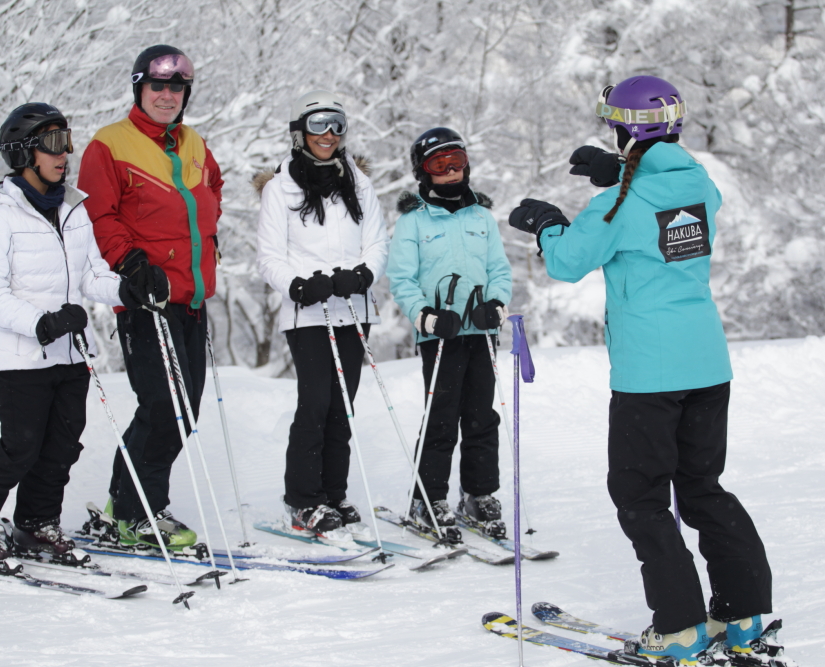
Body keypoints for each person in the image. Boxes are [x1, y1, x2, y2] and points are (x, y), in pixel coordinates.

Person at [509, 76, 773, 664]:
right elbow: (666, 199)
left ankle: (679, 628)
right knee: (703, 488)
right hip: (707, 364)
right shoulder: (700, 184)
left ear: (623, 127)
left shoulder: (615, 207)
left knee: (641, 495)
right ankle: (743, 612)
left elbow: (570, 261)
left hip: (649, 377)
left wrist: (550, 222)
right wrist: (620, 169)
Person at [0, 103, 167, 568]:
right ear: (23, 152)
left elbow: (90, 276)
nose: (64, 153)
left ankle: (35, 524)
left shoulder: (72, 208)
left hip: (68, 354)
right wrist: (40, 323)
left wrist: (129, 289)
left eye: (67, 141)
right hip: (20, 356)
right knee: (20, 446)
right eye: (52, 144)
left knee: (63, 446)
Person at [77, 45, 223, 550]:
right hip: (148, 301)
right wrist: (132, 263)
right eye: (157, 86)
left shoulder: (194, 143)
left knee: (185, 409)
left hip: (192, 298)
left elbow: (211, 195)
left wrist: (209, 245)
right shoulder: (109, 145)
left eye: (176, 87)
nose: (167, 95)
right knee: (163, 406)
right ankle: (141, 512)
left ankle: (125, 501)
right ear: (139, 88)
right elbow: (99, 216)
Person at [256, 90, 388, 539]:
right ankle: (303, 499)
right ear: (300, 132)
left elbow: (376, 241)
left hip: (352, 306)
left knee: (342, 407)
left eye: (337, 125)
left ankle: (334, 492)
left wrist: (365, 274)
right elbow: (269, 255)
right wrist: (296, 284)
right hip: (308, 311)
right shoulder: (281, 187)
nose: (328, 134)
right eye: (318, 125)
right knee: (315, 403)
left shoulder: (359, 183)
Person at [386, 127, 512, 539]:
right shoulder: (412, 222)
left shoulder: (482, 217)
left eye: (457, 160)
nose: (451, 171)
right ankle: (428, 499)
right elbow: (402, 279)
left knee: (482, 417)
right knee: (442, 417)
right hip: (440, 335)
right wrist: (427, 317)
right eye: (440, 164)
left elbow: (499, 270)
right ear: (424, 172)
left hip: (479, 330)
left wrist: (496, 304)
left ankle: (479, 495)